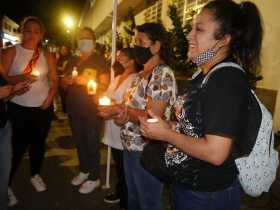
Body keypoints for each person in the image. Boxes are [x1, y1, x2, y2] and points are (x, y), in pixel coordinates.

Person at [139, 1, 263, 210]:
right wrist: (167, 126)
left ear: (224, 39)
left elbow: (216, 153)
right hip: (190, 188)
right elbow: (196, 129)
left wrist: (167, 135)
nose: (189, 35)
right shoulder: (204, 75)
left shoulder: (226, 79)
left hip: (207, 196)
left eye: (199, 29)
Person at [99, 23, 177, 210]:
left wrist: (121, 110)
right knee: (133, 197)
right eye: (135, 41)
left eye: (141, 42)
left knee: (147, 201)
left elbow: (153, 116)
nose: (136, 47)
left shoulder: (162, 74)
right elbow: (133, 109)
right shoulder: (142, 73)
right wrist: (122, 116)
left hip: (146, 150)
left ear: (156, 46)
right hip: (130, 146)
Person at [1, 16, 58, 205]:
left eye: (36, 31)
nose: (31, 35)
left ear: (41, 34)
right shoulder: (11, 51)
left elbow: (54, 80)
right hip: (18, 108)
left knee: (38, 144)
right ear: (22, 32)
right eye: (28, 30)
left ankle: (35, 174)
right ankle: (6, 185)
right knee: (15, 148)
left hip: (42, 108)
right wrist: (21, 78)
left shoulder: (47, 55)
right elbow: (4, 80)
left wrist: (49, 99)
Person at [61, 27, 110, 194]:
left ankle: (94, 177)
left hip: (91, 110)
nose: (84, 40)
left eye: (87, 37)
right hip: (74, 108)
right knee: (79, 142)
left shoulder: (99, 60)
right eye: (81, 38)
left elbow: (105, 85)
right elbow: (63, 83)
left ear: (94, 41)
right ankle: (84, 170)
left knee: (91, 143)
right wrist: (67, 81)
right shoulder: (73, 60)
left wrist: (88, 82)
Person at [100, 48, 141, 210]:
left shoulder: (135, 79)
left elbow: (130, 104)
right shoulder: (117, 77)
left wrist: (112, 105)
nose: (117, 59)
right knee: (118, 164)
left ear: (132, 60)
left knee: (126, 167)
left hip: (124, 127)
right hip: (112, 125)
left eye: (121, 57)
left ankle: (126, 198)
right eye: (117, 57)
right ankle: (121, 191)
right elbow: (109, 95)